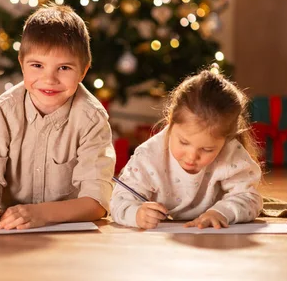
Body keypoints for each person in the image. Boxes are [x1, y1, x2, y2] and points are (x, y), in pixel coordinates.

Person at [0, 4, 116, 230]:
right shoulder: (2, 112)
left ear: (83, 71)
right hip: (9, 231)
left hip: (71, 238)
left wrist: (41, 214)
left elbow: (96, 203)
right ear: (22, 65)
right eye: (37, 65)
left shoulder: (91, 118)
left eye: (64, 68)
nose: (49, 79)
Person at [110, 65, 262, 229]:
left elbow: (250, 198)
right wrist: (137, 214)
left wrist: (221, 212)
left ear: (226, 140)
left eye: (207, 149)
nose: (191, 156)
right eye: (183, 142)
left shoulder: (230, 151)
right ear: (170, 120)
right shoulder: (149, 156)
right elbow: (119, 201)